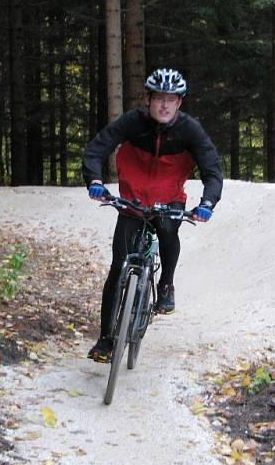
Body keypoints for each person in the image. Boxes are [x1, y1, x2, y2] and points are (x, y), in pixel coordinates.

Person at [82, 68, 223, 363]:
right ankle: (106, 339)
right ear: (148, 99)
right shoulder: (133, 122)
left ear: (179, 103)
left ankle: (166, 283)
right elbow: (96, 150)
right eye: (159, 98)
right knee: (118, 266)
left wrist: (207, 203)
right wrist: (95, 181)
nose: (164, 105)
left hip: (168, 198)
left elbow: (212, 170)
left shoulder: (190, 130)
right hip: (132, 201)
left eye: (171, 99)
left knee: (169, 229)